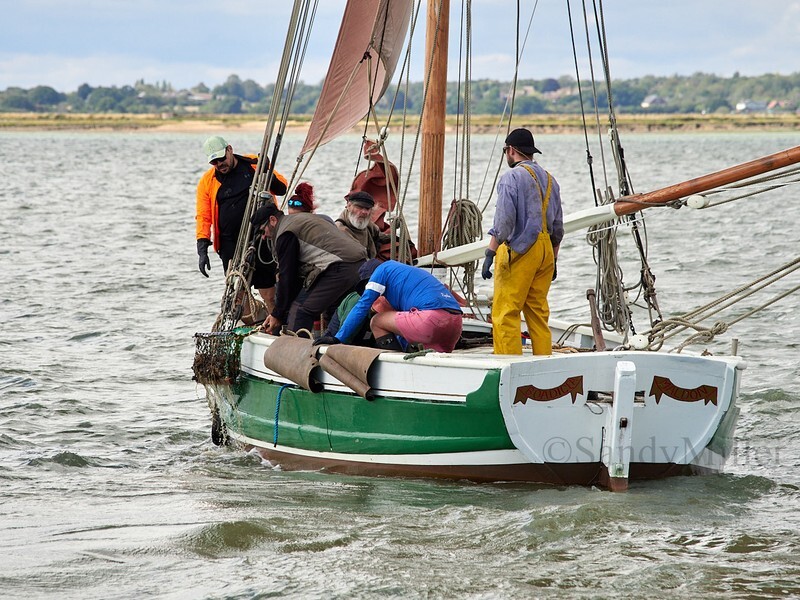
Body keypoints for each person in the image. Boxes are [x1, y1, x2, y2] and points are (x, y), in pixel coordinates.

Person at [481, 128, 564, 356]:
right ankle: (543, 361)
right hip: (546, 251)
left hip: (521, 250)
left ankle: (508, 365)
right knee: (538, 313)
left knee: (506, 312)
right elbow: (558, 227)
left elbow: (504, 222)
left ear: (511, 150)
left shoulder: (512, 177)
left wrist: (490, 252)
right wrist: (554, 260)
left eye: (505, 151)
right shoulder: (550, 180)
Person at [195, 135, 288, 313]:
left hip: (261, 238)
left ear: (229, 149)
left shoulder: (253, 164)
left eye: (222, 158)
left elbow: (282, 188)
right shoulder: (207, 181)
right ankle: (251, 323)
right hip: (230, 244)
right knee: (238, 295)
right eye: (214, 162)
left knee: (268, 292)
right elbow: (203, 216)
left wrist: (266, 171)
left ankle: (276, 323)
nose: (219, 164)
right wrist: (202, 248)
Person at [250, 203, 367, 335]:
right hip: (361, 265)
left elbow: (287, 277)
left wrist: (277, 314)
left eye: (262, 231)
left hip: (341, 267)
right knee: (336, 307)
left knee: (300, 310)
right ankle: (337, 342)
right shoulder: (302, 219)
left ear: (272, 220)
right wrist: (280, 312)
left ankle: (293, 346)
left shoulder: (285, 233)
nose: (263, 237)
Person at [314, 260, 463, 353]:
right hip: (456, 324)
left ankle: (395, 364)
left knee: (377, 321)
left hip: (429, 321)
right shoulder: (407, 276)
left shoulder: (382, 270)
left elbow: (362, 306)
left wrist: (338, 339)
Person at [335, 191, 383, 259]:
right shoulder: (340, 230)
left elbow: (380, 235)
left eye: (367, 208)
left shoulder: (368, 225)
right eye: (359, 207)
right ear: (349, 206)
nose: (364, 212)